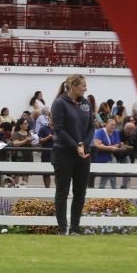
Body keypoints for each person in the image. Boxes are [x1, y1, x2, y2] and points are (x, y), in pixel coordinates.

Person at [52, 74, 96, 233]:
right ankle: (62, 229)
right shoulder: (59, 103)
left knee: (80, 192)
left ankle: (75, 228)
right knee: (62, 191)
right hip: (63, 152)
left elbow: (92, 127)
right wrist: (75, 146)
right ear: (73, 86)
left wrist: (84, 144)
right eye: (83, 85)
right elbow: (59, 129)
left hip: (84, 153)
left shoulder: (86, 103)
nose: (86, 88)